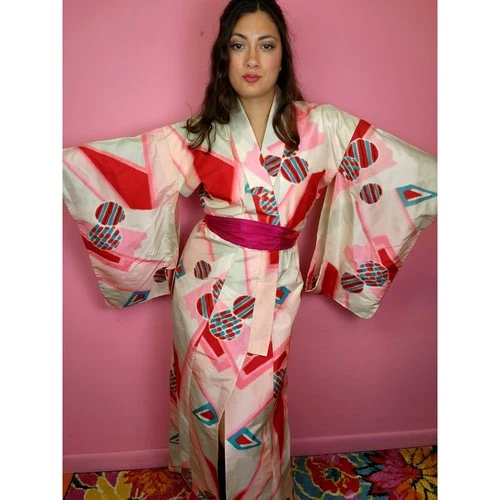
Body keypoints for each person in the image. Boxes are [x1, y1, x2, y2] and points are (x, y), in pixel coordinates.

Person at [62, 0, 437, 498]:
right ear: (224, 55)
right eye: (239, 46)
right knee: (206, 405)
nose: (253, 59)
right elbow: (131, 172)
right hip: (205, 285)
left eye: (266, 44)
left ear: (284, 56)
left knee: (254, 413)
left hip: (273, 285)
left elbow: (395, 171)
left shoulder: (323, 126)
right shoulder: (202, 133)